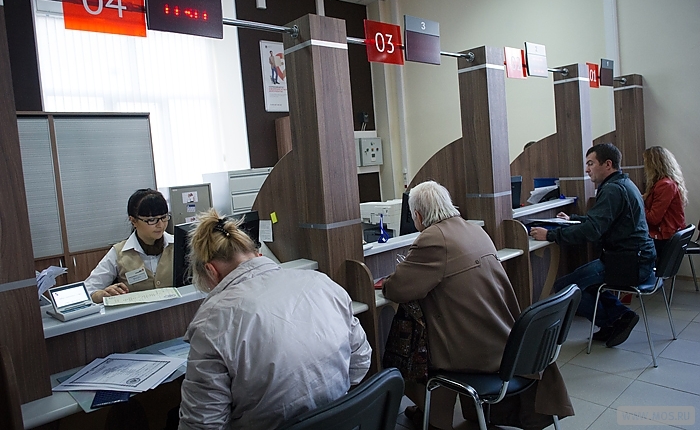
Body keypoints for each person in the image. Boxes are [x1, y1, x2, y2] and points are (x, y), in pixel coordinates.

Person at [383, 181, 573, 430]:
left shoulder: (432, 238)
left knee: (412, 345)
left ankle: (433, 418)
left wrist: (389, 280)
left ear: (417, 216)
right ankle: (429, 413)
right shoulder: (474, 230)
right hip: (506, 339)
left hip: (478, 350)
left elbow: (397, 289)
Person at [178, 209, 371, 430]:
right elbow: (361, 362)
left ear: (211, 271)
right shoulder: (322, 283)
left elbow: (203, 425)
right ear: (258, 255)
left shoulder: (212, 321)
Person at [531, 143, 656, 347]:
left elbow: (592, 231)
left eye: (591, 163)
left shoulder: (612, 190)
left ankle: (615, 320)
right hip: (635, 257)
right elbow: (602, 221)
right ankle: (618, 318)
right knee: (586, 282)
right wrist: (574, 219)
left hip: (628, 263)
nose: (587, 169)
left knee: (565, 287)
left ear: (608, 164)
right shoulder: (622, 183)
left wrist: (551, 235)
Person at [85, 189, 173, 304]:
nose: (160, 225)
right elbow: (88, 289)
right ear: (133, 220)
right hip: (139, 314)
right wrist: (101, 294)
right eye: (152, 220)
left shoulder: (178, 245)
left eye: (164, 217)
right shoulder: (119, 252)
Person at [643, 145, 687, 257]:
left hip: (664, 237)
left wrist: (638, 204)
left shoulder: (665, 185)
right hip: (668, 235)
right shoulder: (666, 183)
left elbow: (653, 218)